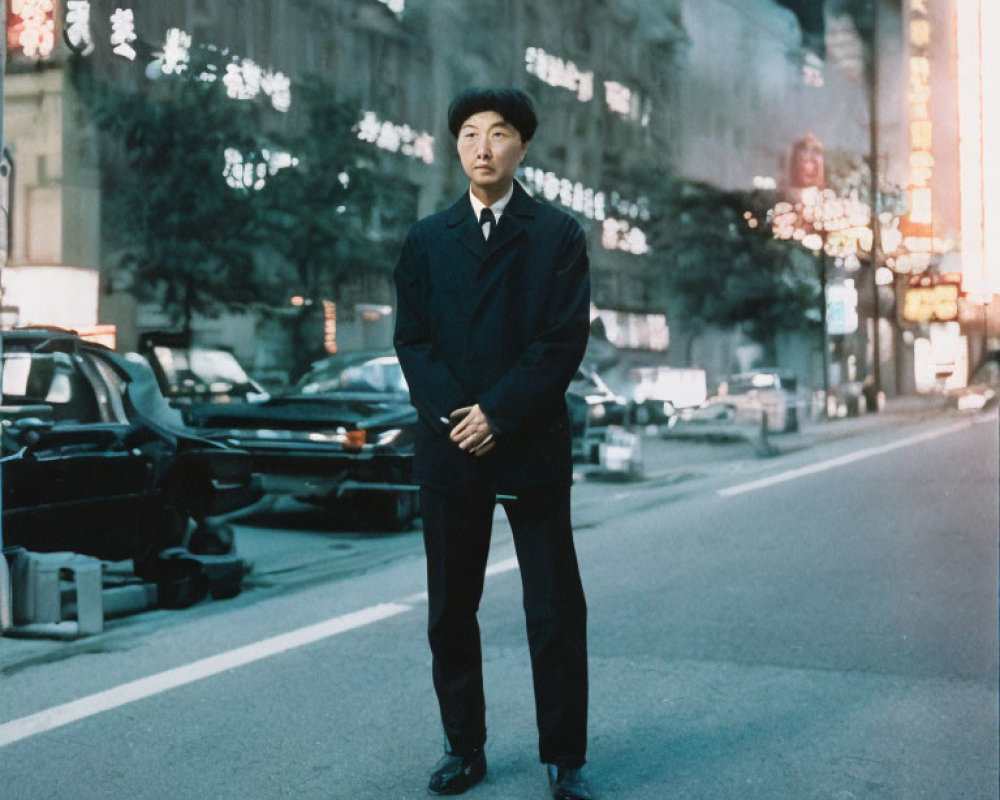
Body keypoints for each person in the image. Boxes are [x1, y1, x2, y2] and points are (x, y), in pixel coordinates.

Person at [393, 87, 594, 800]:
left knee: (553, 607)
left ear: (523, 146)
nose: (483, 146)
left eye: (500, 133)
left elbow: (561, 341)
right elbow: (412, 341)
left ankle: (565, 759)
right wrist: (459, 414)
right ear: (456, 147)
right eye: (470, 133)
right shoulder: (426, 240)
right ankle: (463, 746)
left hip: (529, 443)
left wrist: (499, 413)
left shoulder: (558, 236)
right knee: (451, 606)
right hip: (452, 447)